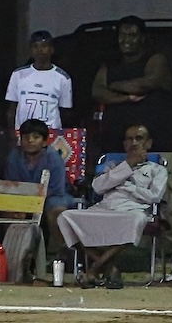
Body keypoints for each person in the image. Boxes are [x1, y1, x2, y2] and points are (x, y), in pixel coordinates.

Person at [58, 122, 166, 288]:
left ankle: (94, 268)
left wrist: (129, 187)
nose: (134, 143)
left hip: (133, 210)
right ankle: (110, 268)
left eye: (139, 138)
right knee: (65, 217)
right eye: (129, 139)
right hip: (104, 208)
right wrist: (128, 165)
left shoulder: (157, 169)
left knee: (134, 221)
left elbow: (154, 196)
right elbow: (98, 187)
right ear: (124, 144)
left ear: (149, 143)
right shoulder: (113, 166)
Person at [0, 117, 74, 280]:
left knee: (57, 210)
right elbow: (11, 186)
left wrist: (32, 205)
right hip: (23, 197)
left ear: (45, 141)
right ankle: (12, 256)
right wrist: (23, 205)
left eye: (36, 137)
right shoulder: (14, 157)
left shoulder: (53, 158)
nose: (30, 141)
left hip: (53, 196)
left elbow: (56, 189)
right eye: (26, 137)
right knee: (9, 210)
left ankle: (63, 253)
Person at [91, 17, 172, 157]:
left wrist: (114, 85)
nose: (126, 40)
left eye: (132, 35)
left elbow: (144, 85)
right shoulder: (110, 64)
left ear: (142, 38)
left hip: (153, 138)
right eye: (122, 35)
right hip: (116, 139)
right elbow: (98, 92)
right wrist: (126, 98)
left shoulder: (155, 59)